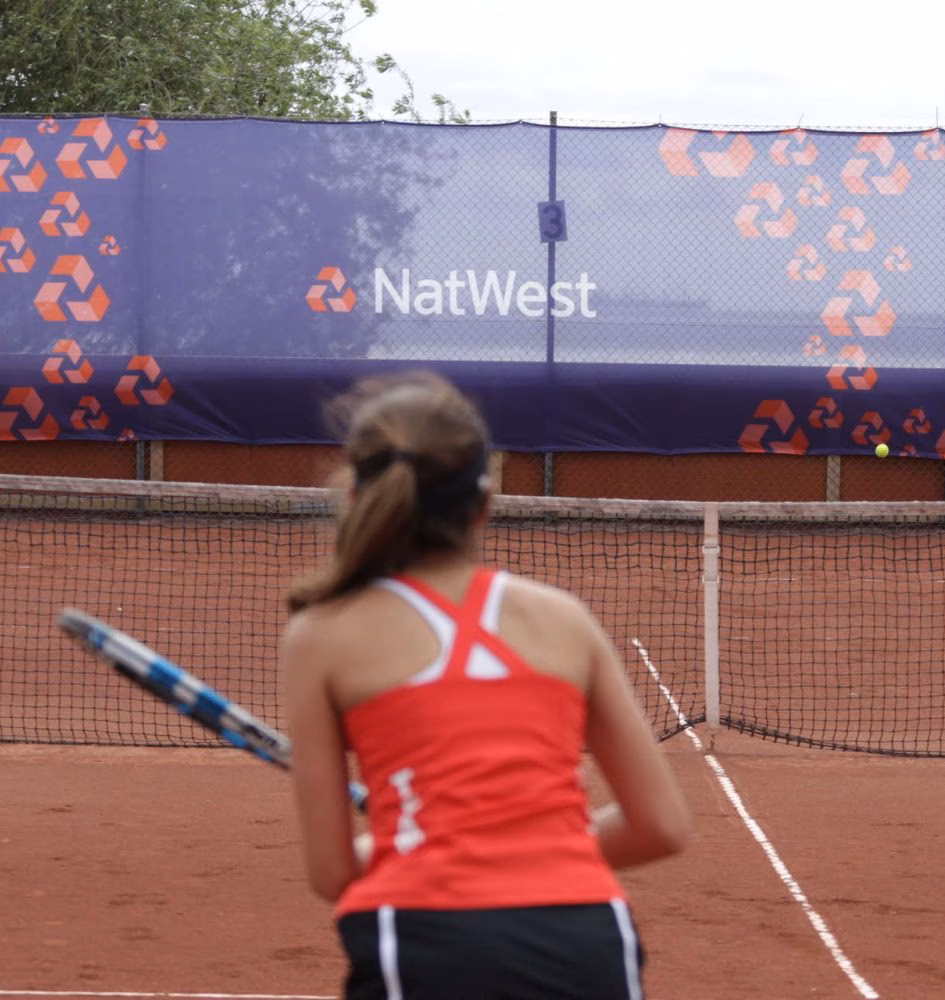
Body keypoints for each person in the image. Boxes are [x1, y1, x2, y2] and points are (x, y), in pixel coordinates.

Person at [281, 371, 690, 999]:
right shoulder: (562, 619)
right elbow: (659, 826)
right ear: (485, 500)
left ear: (356, 497)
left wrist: (435, 849)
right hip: (588, 945)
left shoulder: (320, 635)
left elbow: (333, 871)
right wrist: (523, 846)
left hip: (421, 945)